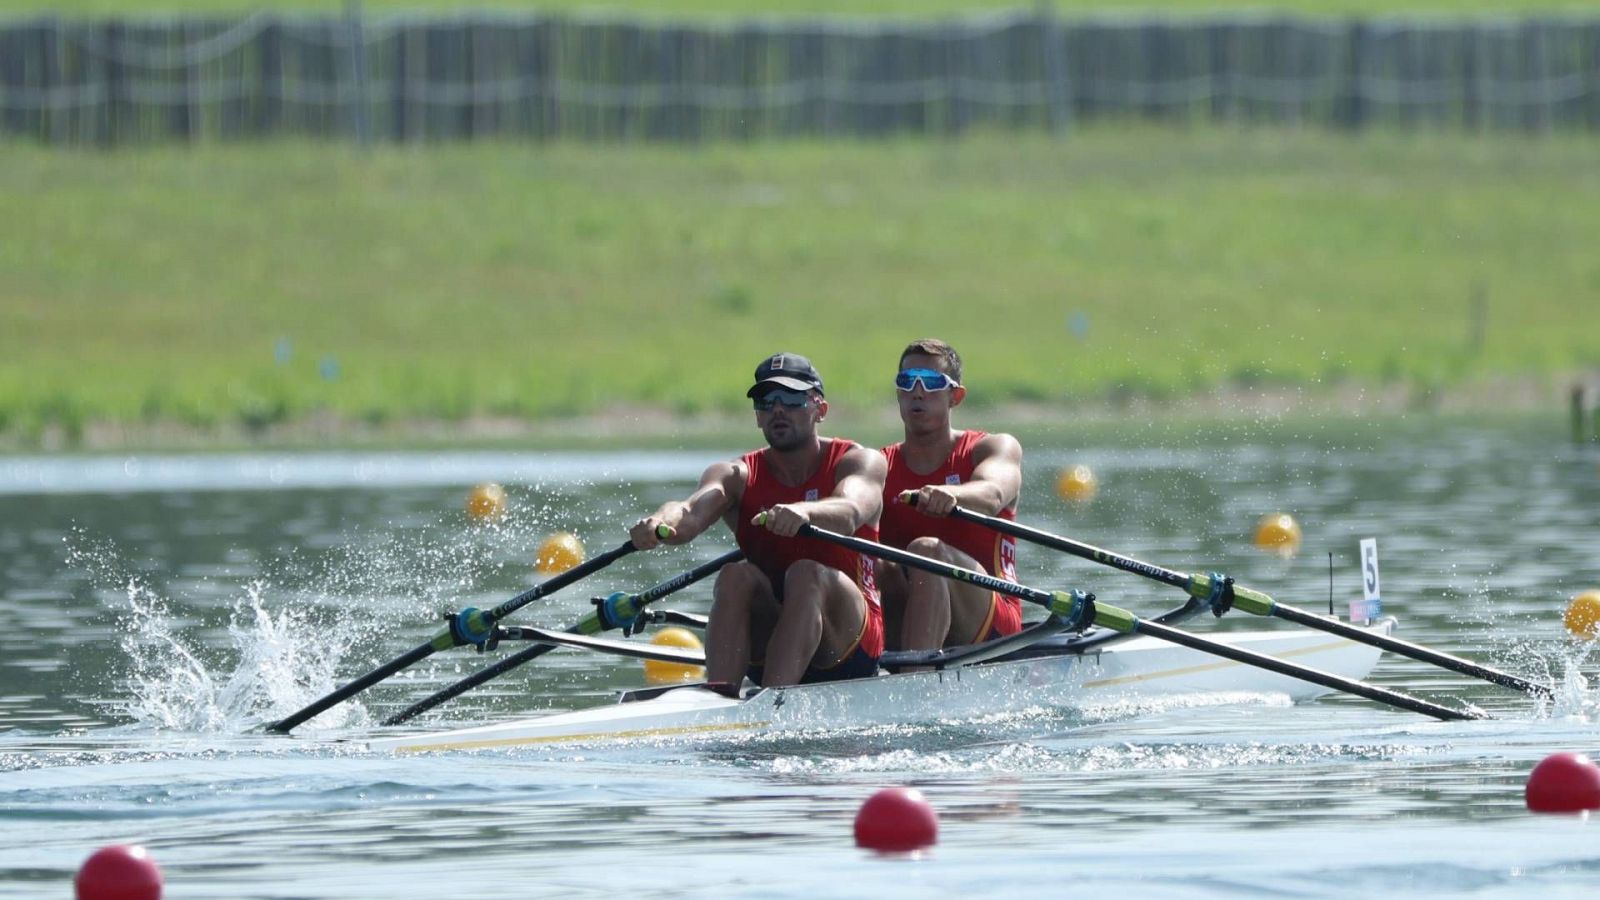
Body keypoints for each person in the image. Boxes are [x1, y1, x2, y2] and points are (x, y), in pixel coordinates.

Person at [629, 352, 887, 688]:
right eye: (766, 401)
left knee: (806, 573)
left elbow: (850, 511)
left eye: (792, 398)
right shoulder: (736, 475)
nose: (778, 409)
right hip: (773, 636)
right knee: (735, 575)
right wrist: (659, 522)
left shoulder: (859, 461)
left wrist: (804, 512)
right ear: (757, 417)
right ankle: (720, 698)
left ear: (820, 409)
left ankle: (773, 701)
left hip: (851, 645)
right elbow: (689, 514)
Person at [878, 338, 1025, 652]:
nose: (917, 392)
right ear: (899, 393)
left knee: (927, 550)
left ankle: (914, 678)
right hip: (910, 608)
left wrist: (953, 494)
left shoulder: (992, 448)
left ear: (955, 396)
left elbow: (993, 492)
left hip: (994, 619)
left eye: (931, 383)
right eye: (907, 382)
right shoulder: (879, 466)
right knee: (875, 565)